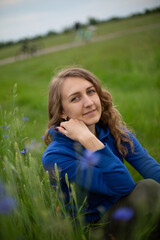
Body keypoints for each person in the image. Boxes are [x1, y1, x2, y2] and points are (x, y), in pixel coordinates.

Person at [42, 67, 160, 239]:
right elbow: (124, 185)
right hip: (93, 230)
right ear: (61, 111)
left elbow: (151, 169)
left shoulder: (114, 131)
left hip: (123, 213)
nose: (89, 102)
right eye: (75, 98)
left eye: (91, 92)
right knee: (148, 190)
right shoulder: (56, 156)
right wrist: (87, 139)